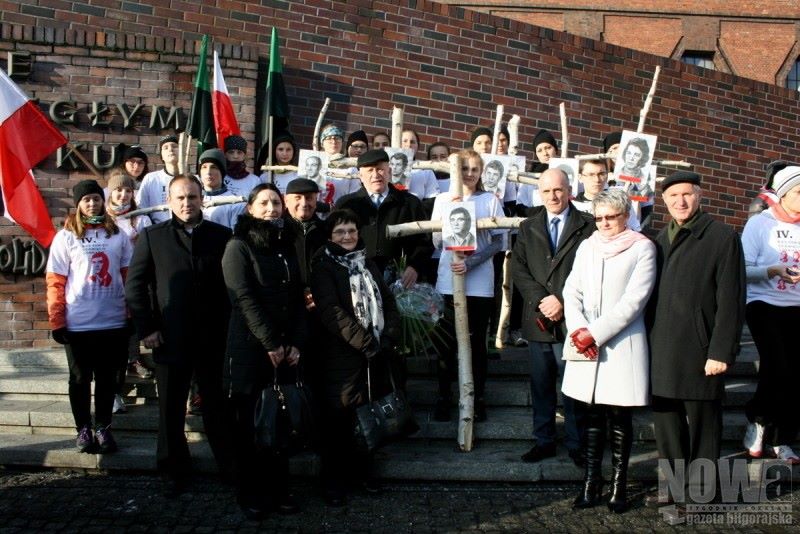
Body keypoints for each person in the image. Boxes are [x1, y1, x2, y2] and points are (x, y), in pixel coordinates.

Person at [125, 174, 233, 496]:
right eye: (180, 198)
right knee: (171, 409)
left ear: (203, 199)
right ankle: (173, 468)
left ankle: (229, 466)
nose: (187, 203)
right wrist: (148, 327)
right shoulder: (153, 237)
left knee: (216, 406)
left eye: (192, 197)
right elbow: (135, 287)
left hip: (213, 338)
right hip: (170, 337)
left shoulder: (222, 236)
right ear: (170, 201)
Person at [646, 171, 745, 507]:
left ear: (700, 195)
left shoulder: (721, 237)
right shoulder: (659, 240)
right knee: (668, 426)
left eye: (687, 194)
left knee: (703, 427)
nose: (680, 202)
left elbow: (731, 300)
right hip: (662, 349)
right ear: (664, 201)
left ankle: (701, 494)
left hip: (702, 350)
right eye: (673, 196)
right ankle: (674, 489)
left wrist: (721, 350)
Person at [561, 188, 656, 512]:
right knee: (590, 417)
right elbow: (570, 289)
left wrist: (595, 333)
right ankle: (591, 481)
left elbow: (635, 300)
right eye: (598, 217)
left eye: (610, 217)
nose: (603, 223)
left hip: (621, 344)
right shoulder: (588, 246)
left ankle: (618, 484)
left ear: (625, 215)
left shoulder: (643, 248)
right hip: (584, 344)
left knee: (619, 417)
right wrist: (578, 331)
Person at [222, 183, 307, 519]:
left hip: (285, 350)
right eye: (263, 203)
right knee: (249, 426)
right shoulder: (238, 246)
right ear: (250, 208)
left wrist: (297, 342)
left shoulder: (288, 246)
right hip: (250, 349)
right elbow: (242, 298)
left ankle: (280, 489)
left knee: (280, 423)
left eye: (275, 203)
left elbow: (298, 296)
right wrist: (270, 342)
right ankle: (251, 493)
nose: (271, 209)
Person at [310, 208, 401, 506]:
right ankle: (334, 482)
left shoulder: (368, 263)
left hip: (373, 355)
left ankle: (364, 473)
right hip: (341, 355)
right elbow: (330, 311)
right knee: (337, 422)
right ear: (330, 236)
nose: (347, 237)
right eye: (340, 232)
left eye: (351, 231)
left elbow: (387, 300)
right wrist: (364, 343)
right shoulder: (324, 265)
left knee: (367, 418)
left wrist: (387, 338)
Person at [511, 168, 594, 467]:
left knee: (573, 387)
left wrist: (562, 300)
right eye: (546, 191)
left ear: (570, 189)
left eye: (558, 190)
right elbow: (518, 268)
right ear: (539, 193)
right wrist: (542, 299)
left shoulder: (588, 226)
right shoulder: (528, 226)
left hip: (573, 318)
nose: (553, 196)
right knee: (541, 385)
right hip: (538, 318)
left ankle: (577, 443)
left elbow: (589, 270)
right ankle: (544, 440)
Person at [46, 180, 133, 454]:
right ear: (78, 204)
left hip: (112, 321)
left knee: (108, 379)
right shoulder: (67, 236)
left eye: (96, 198)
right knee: (80, 380)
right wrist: (57, 319)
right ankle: (83, 428)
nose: (92, 203)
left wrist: (131, 314)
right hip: (79, 323)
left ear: (102, 201)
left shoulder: (117, 234)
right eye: (86, 200)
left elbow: (129, 278)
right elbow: (55, 281)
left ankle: (103, 427)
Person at [431, 149, 505, 422]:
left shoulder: (490, 201)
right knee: (446, 344)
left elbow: (499, 242)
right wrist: (451, 212)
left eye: (475, 169)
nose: (470, 174)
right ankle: (444, 396)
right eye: (465, 169)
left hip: (479, 284)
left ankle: (478, 397)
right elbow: (437, 242)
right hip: (449, 281)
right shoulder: (442, 199)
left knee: (476, 344)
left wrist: (471, 262)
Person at [740, 166, 800, 464]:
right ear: (784, 194)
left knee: (794, 374)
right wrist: (773, 270)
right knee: (777, 366)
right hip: (764, 303)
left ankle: (783, 439)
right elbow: (742, 270)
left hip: (797, 306)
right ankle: (759, 421)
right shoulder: (759, 225)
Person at [335, 149, 433, 288]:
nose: (375, 175)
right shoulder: (346, 205)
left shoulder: (410, 203)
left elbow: (425, 240)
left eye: (380, 169)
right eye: (369, 170)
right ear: (360, 176)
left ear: (389, 172)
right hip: (355, 281)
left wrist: (414, 266)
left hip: (399, 282)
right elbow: (334, 242)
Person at [105, 170, 153, 414]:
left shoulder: (140, 219)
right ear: (110, 192)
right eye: (118, 190)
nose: (123, 195)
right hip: (108, 282)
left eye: (127, 190)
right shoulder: (103, 218)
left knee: (131, 324)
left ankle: (133, 359)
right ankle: (113, 393)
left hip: (134, 280)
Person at [572, 159, 640, 232]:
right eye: (591, 175)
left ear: (607, 176)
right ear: (580, 178)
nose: (597, 179)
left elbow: (635, 230)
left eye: (601, 174)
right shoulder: (572, 206)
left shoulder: (619, 202)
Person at [198, 148, 246, 229]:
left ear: (222, 172)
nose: (208, 172)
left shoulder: (235, 202)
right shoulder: (192, 199)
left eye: (214, 167)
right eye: (204, 167)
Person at [138, 135, 181, 224]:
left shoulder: (193, 179)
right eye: (165, 148)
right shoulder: (151, 179)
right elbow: (140, 207)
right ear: (161, 156)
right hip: (159, 228)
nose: (170, 149)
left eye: (174, 146)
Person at [516, 129, 558, 214]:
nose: (545, 153)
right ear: (536, 155)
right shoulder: (529, 177)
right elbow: (520, 207)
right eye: (540, 150)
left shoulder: (568, 172)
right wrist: (544, 212)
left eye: (548, 148)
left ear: (556, 150)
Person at [261, 130, 299, 195]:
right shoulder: (265, 177)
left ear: (294, 152)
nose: (284, 153)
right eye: (280, 149)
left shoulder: (299, 176)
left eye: (288, 149)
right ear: (274, 151)